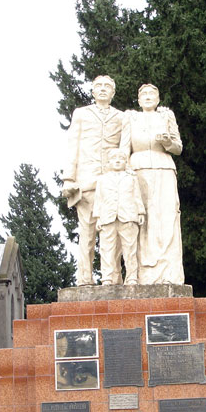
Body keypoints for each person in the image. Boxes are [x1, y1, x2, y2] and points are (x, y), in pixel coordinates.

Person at [120, 84, 185, 285]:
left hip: (164, 168)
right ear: (138, 100)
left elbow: (178, 147)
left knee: (166, 219)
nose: (148, 97)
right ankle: (139, 274)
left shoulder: (166, 116)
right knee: (142, 219)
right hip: (137, 170)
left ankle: (169, 273)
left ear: (158, 99)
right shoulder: (130, 118)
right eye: (144, 94)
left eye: (152, 94)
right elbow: (123, 149)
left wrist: (167, 142)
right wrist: (123, 172)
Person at [62, 75, 123, 286]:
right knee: (87, 232)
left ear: (113, 92)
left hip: (112, 182)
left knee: (113, 232)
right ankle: (84, 278)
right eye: (99, 86)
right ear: (93, 91)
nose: (103, 89)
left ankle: (113, 278)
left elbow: (125, 149)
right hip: (86, 181)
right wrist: (69, 178)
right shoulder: (81, 114)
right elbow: (73, 145)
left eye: (108, 86)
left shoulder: (121, 117)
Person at [92, 150, 145, 285]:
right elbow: (98, 199)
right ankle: (107, 277)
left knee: (130, 248)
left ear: (125, 162)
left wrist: (140, 212)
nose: (117, 161)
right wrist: (97, 217)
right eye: (114, 158)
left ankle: (132, 277)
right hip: (107, 217)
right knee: (106, 249)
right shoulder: (102, 179)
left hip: (128, 216)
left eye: (120, 158)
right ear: (109, 162)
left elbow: (137, 195)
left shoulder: (131, 178)